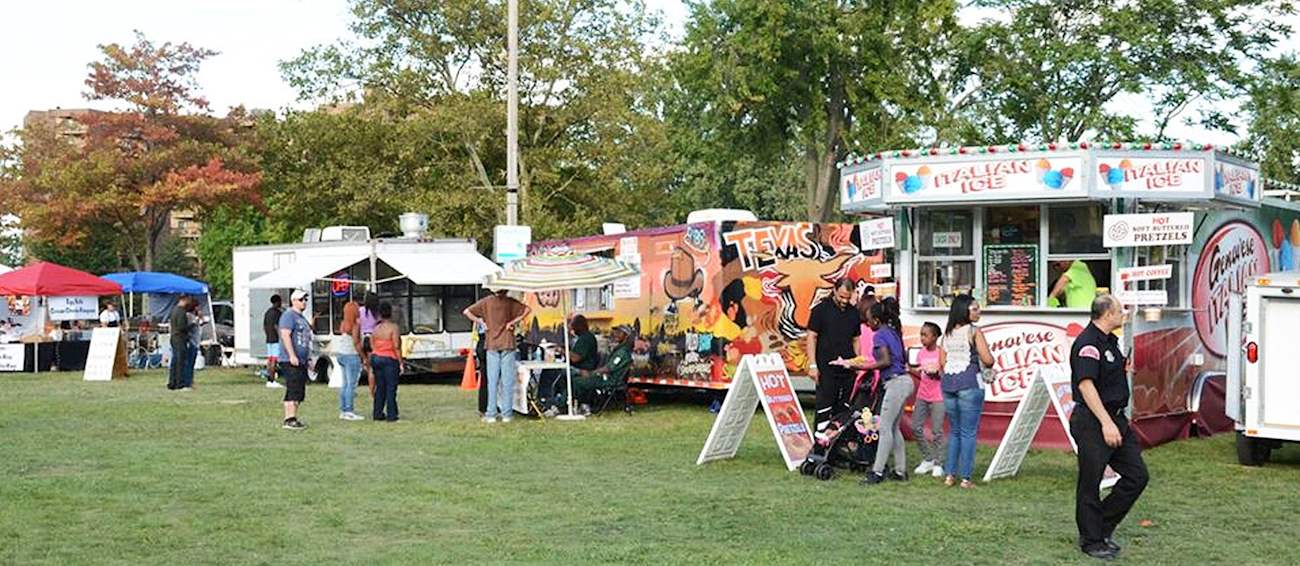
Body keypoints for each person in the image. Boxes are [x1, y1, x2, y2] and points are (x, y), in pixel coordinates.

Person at [1071, 294, 1148, 560]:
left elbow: (1107, 375)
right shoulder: (1088, 343)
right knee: (1090, 482)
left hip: (1116, 418)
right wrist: (1105, 423)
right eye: (1119, 310)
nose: (1123, 314)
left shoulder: (1109, 341)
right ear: (1107, 314)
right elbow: (1086, 385)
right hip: (1094, 421)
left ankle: (1100, 526)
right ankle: (1091, 541)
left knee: (1137, 476)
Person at [939, 294, 995, 489]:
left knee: (954, 431)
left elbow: (942, 363)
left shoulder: (946, 335)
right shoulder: (974, 331)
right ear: (965, 311)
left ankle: (949, 475)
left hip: (949, 384)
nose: (979, 311)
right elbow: (988, 360)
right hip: (970, 383)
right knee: (969, 432)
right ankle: (966, 478)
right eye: (975, 308)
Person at [859, 298, 913, 485]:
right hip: (904, 381)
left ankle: (877, 471)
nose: (867, 324)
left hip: (895, 382)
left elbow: (885, 361)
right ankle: (900, 470)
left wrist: (863, 367)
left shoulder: (880, 335)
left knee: (884, 428)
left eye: (869, 320)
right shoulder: (893, 331)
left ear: (876, 320)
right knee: (894, 428)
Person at [464, 289, 530, 424]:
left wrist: (481, 322)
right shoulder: (510, 302)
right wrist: (512, 322)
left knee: (492, 382)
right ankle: (507, 414)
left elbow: (467, 311)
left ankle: (491, 414)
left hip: (492, 344)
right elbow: (527, 310)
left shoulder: (486, 302)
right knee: (507, 382)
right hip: (508, 343)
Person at [806, 278, 861, 432]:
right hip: (826, 368)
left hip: (847, 369)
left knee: (844, 409)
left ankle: (839, 441)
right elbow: (811, 336)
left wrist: (857, 362)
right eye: (841, 296)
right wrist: (812, 365)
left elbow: (856, 339)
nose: (844, 301)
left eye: (847, 297)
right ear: (834, 290)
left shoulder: (854, 313)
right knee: (824, 406)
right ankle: (820, 439)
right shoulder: (820, 310)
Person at [568, 325, 633, 415]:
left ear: (626, 336)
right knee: (579, 378)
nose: (616, 334)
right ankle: (583, 405)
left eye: (619, 332)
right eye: (616, 332)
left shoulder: (622, 352)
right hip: (607, 378)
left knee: (577, 381)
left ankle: (580, 406)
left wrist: (591, 373)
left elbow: (608, 368)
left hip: (611, 381)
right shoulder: (619, 349)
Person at [911, 322, 946, 478]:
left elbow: (946, 375)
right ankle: (928, 458)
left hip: (938, 396)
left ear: (935, 337)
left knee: (937, 431)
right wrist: (912, 370)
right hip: (922, 395)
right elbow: (921, 373)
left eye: (925, 335)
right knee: (915, 427)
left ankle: (939, 463)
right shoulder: (921, 353)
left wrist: (936, 374)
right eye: (921, 334)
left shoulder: (941, 353)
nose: (922, 338)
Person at [278, 289, 314, 430]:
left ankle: (293, 417)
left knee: (299, 389)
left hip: (302, 359)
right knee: (293, 388)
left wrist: (308, 358)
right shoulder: (288, 316)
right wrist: (292, 355)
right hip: (290, 359)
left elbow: (306, 339)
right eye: (301, 300)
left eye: (305, 300)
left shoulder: (302, 318)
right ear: (293, 301)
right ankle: (289, 419)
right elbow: (285, 335)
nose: (304, 302)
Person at [369, 302, 403, 422]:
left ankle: (377, 412)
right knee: (391, 388)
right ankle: (392, 414)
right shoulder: (393, 327)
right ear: (391, 313)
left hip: (376, 357)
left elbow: (372, 344)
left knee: (380, 387)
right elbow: (396, 346)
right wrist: (400, 362)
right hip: (389, 358)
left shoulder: (376, 328)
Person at [333, 294, 366, 421]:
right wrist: (363, 357)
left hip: (341, 354)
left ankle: (343, 410)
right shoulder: (355, 325)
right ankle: (349, 410)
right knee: (351, 385)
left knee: (345, 384)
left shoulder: (343, 324)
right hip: (352, 355)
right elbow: (356, 343)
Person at [167, 296, 193, 391]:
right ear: (184, 300)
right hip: (180, 338)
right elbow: (182, 327)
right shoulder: (181, 312)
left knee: (175, 361)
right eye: (188, 300)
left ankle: (172, 382)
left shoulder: (174, 310)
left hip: (174, 337)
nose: (189, 303)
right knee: (180, 361)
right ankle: (180, 383)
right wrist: (191, 325)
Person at [262, 295, 284, 389]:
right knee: (274, 361)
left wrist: (268, 335)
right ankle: (272, 380)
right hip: (275, 340)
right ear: (277, 302)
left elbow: (264, 326)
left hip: (268, 339)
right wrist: (281, 337)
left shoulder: (267, 312)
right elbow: (276, 326)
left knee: (270, 360)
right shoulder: (277, 313)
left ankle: (269, 380)